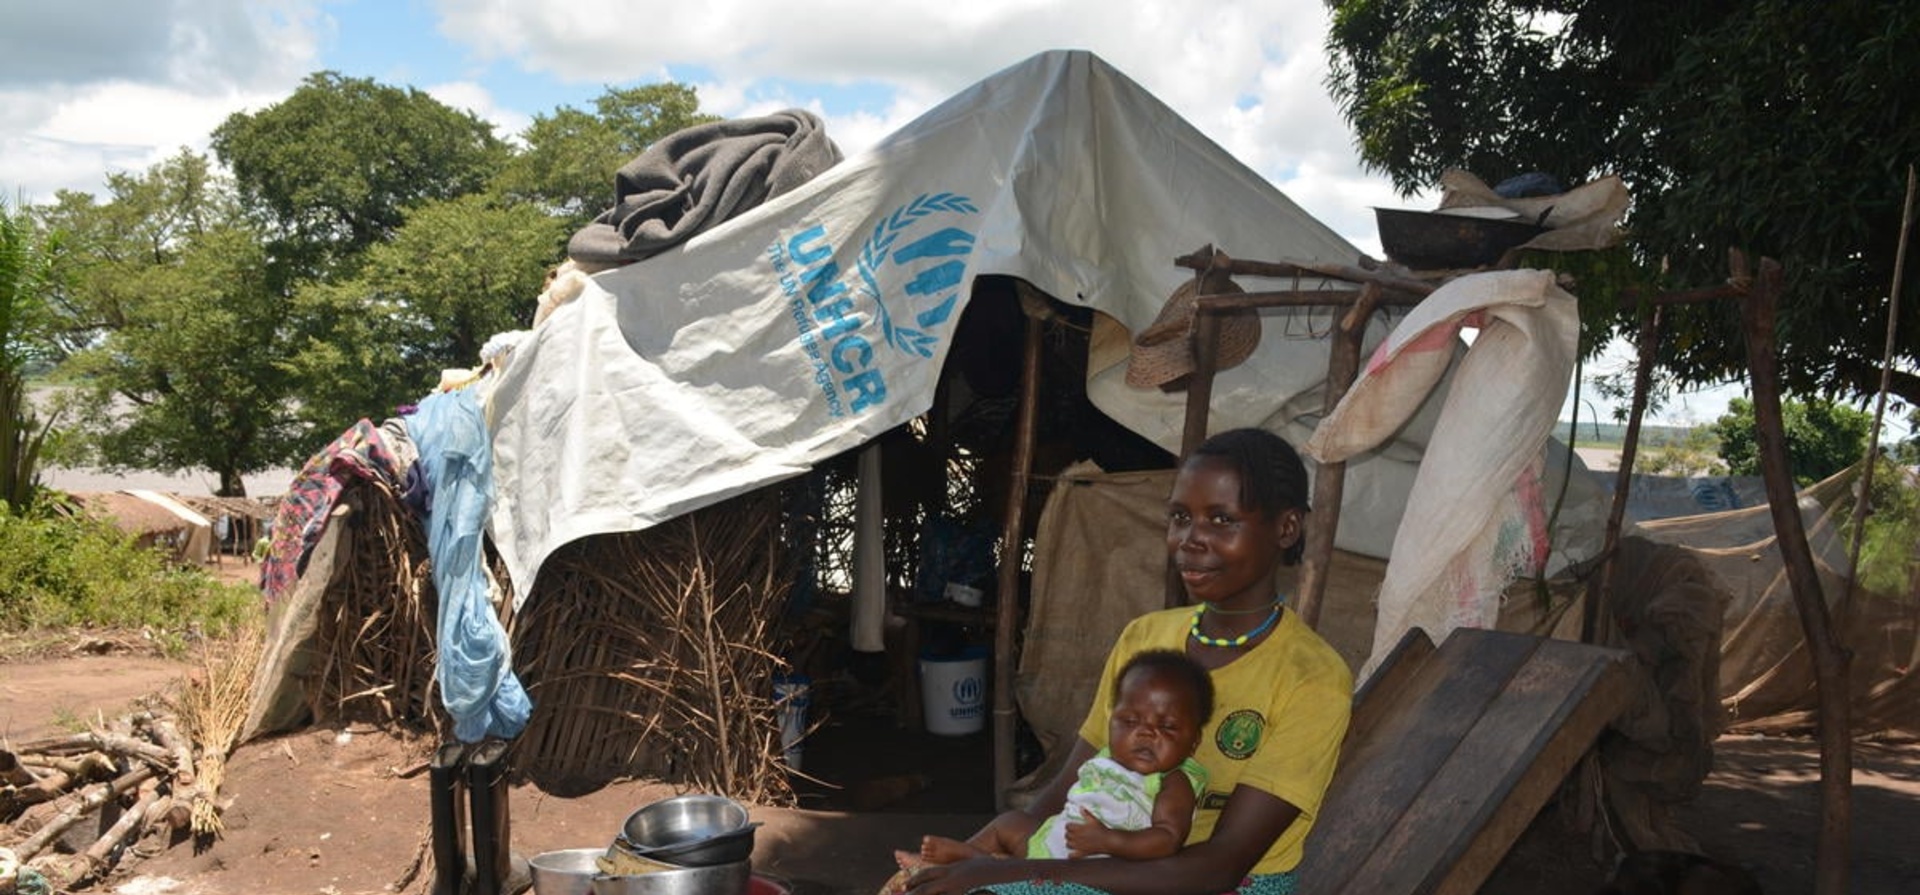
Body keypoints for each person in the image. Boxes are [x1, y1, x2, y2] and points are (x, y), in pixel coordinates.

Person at [905, 427, 1353, 895]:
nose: (1190, 540)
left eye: (1221, 520)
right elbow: (1068, 791)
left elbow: (1219, 866)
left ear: (1285, 528)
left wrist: (1008, 875)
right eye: (1180, 517)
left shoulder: (1312, 678)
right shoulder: (1146, 639)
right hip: (1101, 863)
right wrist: (991, 858)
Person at [920, 649, 1213, 863]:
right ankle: (962, 857)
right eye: (1130, 721)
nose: (1146, 733)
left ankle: (985, 866)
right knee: (1010, 822)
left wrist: (1108, 841)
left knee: (1024, 869)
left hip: (1101, 867)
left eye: (1168, 726)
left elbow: (1168, 838)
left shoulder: (1173, 782)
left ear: (1194, 742)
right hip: (1053, 843)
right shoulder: (1106, 758)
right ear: (1111, 721)